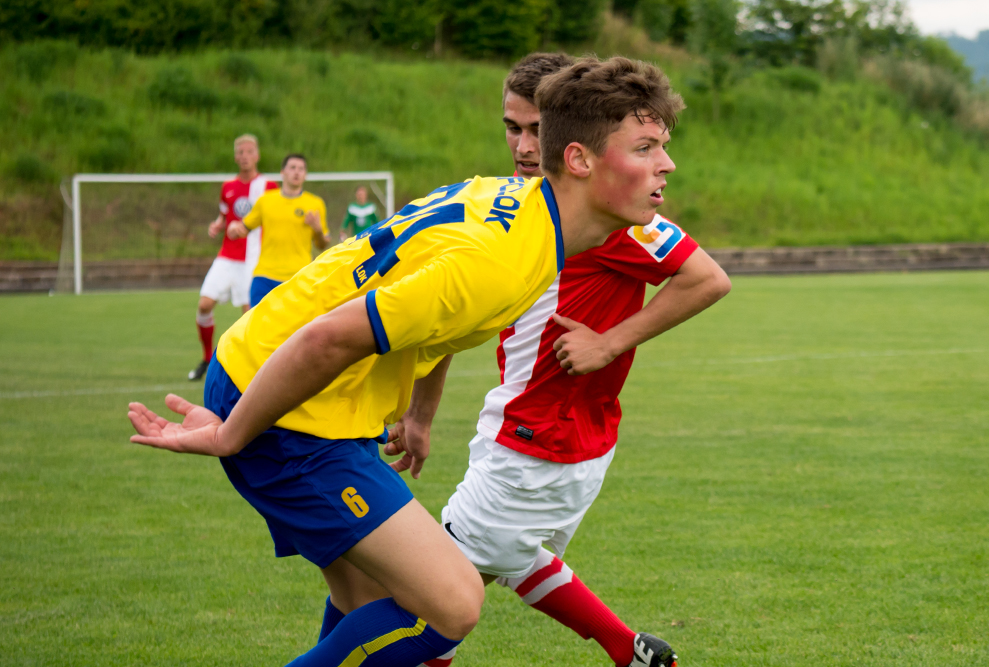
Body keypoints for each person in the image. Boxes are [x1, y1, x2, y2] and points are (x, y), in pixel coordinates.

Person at [126, 55, 683, 667]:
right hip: (291, 404)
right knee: (450, 602)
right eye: (646, 147)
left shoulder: (509, 205)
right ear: (579, 159)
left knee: (371, 605)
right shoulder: (500, 262)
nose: (666, 164)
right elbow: (326, 340)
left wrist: (417, 415)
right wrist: (234, 435)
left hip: (299, 387)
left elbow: (431, 321)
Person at [189, 134, 277, 381]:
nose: (245, 156)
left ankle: (250, 369)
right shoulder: (227, 187)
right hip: (227, 256)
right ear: (236, 157)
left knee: (249, 317)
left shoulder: (268, 188)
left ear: (257, 155)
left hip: (253, 260)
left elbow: (276, 220)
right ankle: (207, 358)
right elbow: (223, 215)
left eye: (250, 151)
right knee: (204, 305)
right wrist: (217, 225)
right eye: (240, 152)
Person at [228, 154, 330, 307]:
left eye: (301, 169)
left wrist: (318, 230)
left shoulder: (315, 204)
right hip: (264, 276)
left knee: (297, 330)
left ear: (306, 174)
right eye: (293, 168)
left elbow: (322, 244)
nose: (297, 172)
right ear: (283, 172)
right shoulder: (266, 200)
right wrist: (232, 229)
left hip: (299, 277)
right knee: (258, 328)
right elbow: (243, 229)